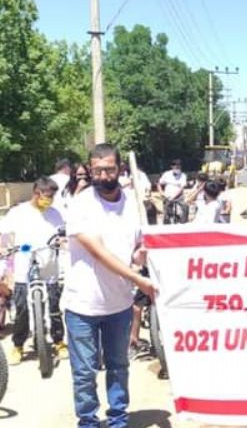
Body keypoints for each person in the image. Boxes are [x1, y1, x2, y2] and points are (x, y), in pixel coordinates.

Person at [62, 143, 155, 428]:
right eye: (98, 170)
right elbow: (98, 253)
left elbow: (138, 246)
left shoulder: (133, 204)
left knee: (119, 367)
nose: (103, 175)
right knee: (84, 372)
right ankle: (88, 422)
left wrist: (140, 256)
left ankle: (118, 420)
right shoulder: (81, 205)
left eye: (109, 169)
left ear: (120, 169)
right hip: (82, 305)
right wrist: (137, 279)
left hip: (120, 305)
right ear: (90, 170)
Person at [0, 178, 67, 365]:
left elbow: (62, 235)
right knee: (21, 308)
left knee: (54, 307)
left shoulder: (55, 214)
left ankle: (59, 341)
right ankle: (18, 345)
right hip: (24, 266)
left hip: (49, 266)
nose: (50, 200)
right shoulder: (18, 212)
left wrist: (62, 242)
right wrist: (1, 248)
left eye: (52, 196)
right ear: (36, 193)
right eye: (47, 196)